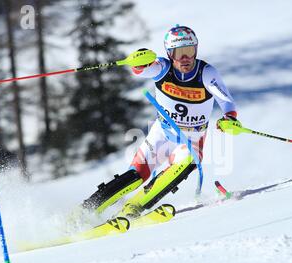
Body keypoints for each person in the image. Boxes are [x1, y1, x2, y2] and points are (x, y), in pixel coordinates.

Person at [81, 25, 242, 219]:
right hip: (162, 133)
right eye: (178, 53)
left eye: (189, 51)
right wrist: (138, 62)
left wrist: (229, 118)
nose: (185, 58)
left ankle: (134, 207)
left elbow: (225, 100)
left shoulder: (206, 73)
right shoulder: (163, 68)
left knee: (187, 162)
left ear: (196, 50)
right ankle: (86, 210)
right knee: (136, 175)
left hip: (192, 138)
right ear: (169, 53)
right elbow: (142, 71)